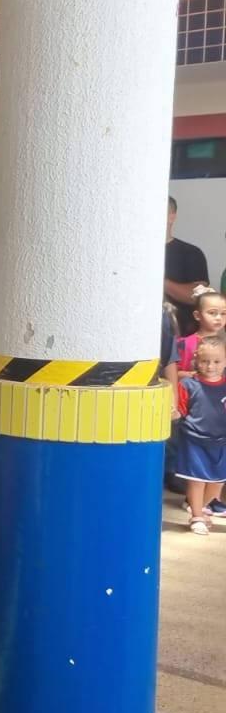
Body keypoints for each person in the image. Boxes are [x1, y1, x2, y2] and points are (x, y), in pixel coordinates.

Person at [172, 335, 226, 534]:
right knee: (196, 481)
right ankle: (196, 516)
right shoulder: (188, 384)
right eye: (204, 361)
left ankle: (198, 508)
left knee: (217, 483)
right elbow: (180, 410)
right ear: (196, 359)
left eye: (217, 361)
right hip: (193, 440)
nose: (210, 366)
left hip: (221, 441)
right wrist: (173, 414)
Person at [165, 196, 211, 335]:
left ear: (171, 217)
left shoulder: (190, 253)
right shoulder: (133, 254)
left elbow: (198, 295)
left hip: (181, 340)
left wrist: (158, 281)